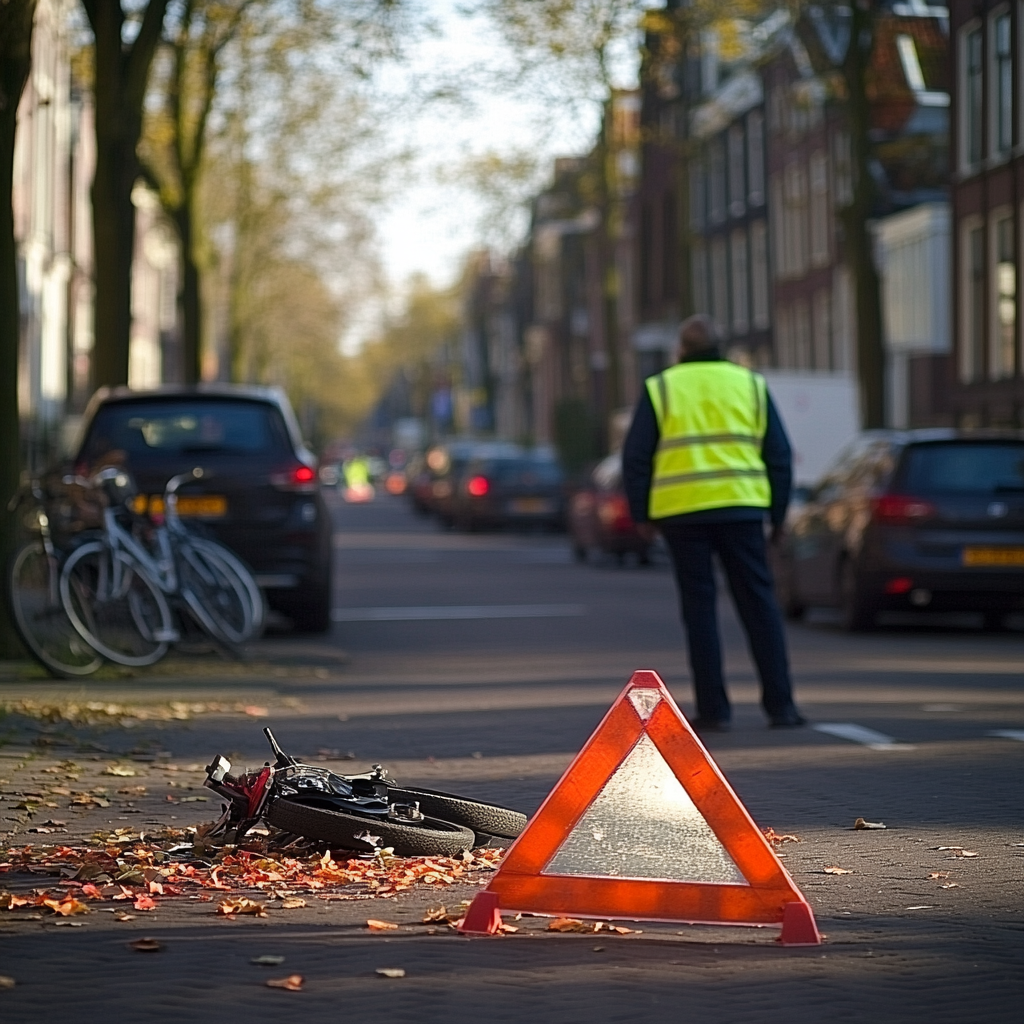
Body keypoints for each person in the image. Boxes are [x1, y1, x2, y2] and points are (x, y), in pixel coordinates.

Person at [622, 314, 806, 732]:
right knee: (759, 605)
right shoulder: (751, 385)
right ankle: (782, 707)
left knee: (700, 610)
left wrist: (642, 515)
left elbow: (635, 458)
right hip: (742, 511)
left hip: (682, 513)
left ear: (681, 350)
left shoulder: (662, 387)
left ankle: (714, 710)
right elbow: (779, 456)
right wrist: (777, 518)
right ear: (721, 346)